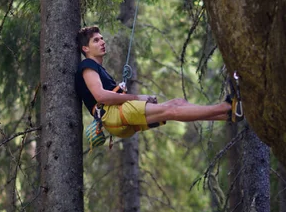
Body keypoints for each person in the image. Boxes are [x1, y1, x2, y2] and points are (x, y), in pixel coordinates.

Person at [75, 25, 240, 140]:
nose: (102, 42)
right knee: (171, 110)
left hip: (118, 118)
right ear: (85, 49)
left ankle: (227, 115)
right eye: (96, 40)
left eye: (102, 38)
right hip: (113, 115)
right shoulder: (87, 66)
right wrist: (137, 98)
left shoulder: (98, 68)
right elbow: (100, 96)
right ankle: (226, 106)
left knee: (178, 103)